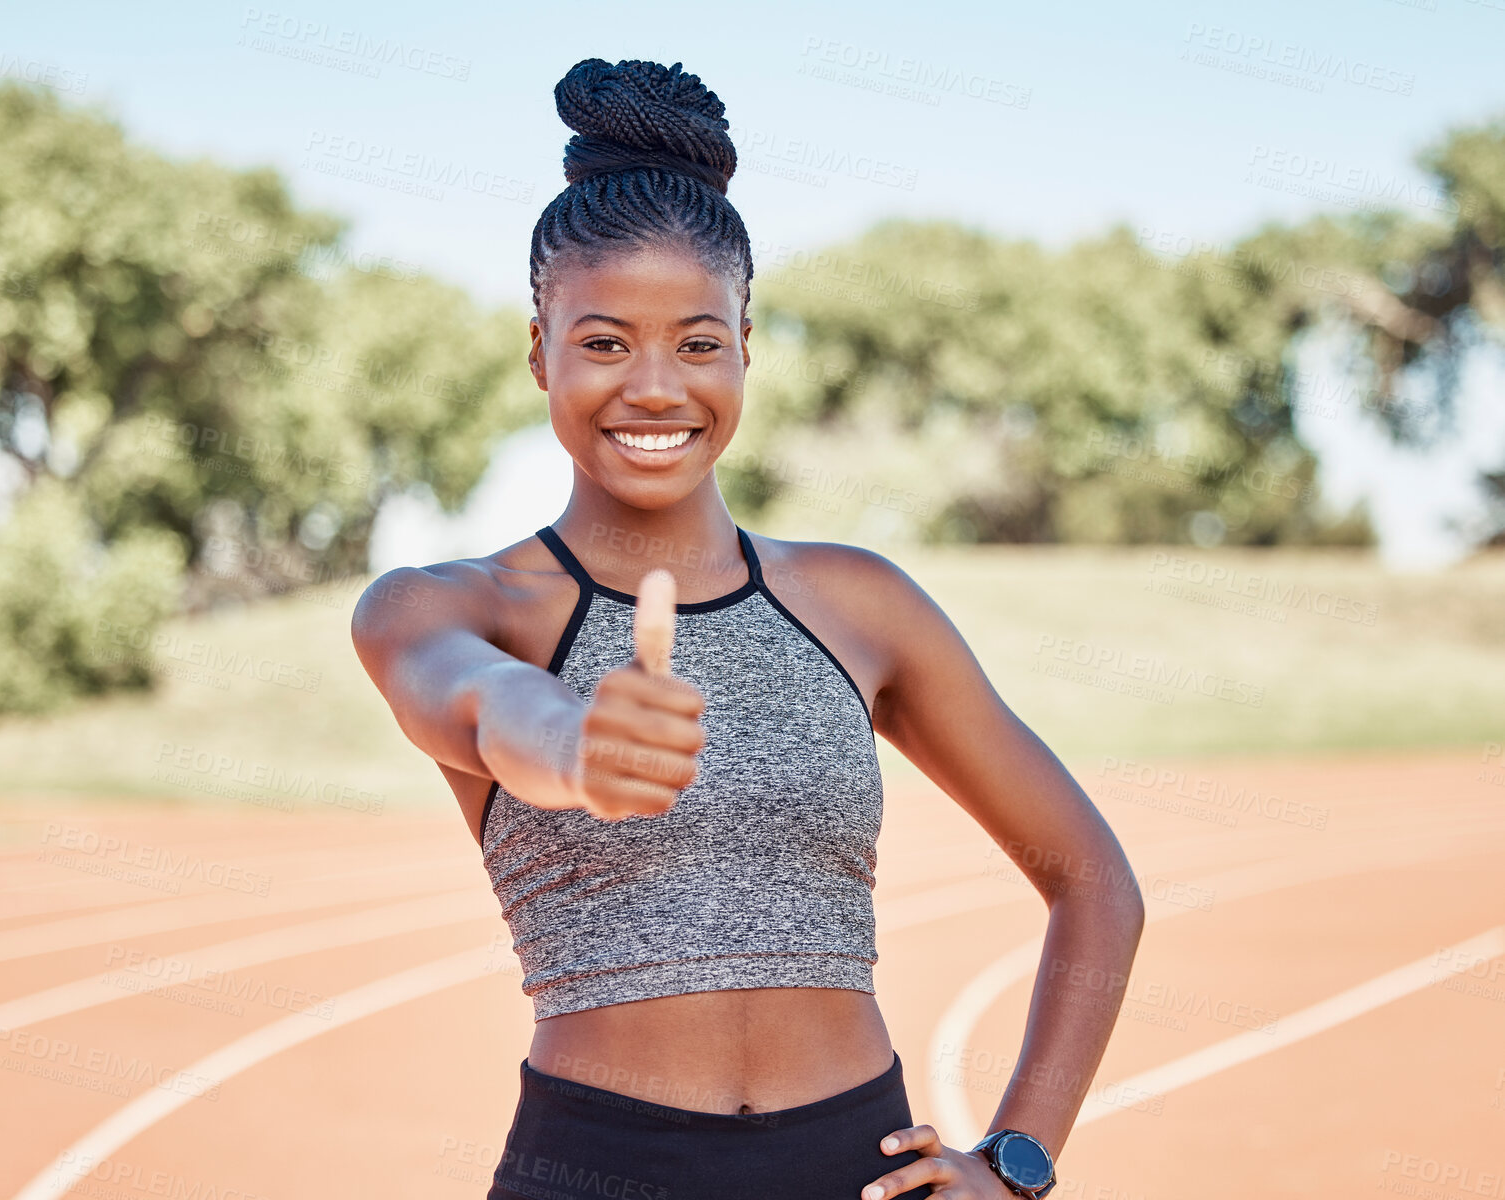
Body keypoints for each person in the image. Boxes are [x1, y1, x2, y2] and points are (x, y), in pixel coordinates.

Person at [351, 56, 1144, 1200]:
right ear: (540, 352)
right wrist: (574, 745)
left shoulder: (860, 605)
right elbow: (472, 702)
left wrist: (1017, 1162)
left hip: (855, 1169)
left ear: (745, 346)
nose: (657, 388)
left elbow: (1093, 881)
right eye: (605, 341)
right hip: (599, 1170)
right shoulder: (450, 606)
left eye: (698, 341)